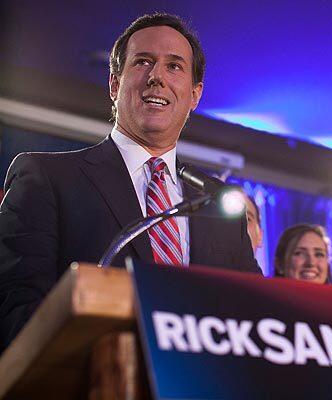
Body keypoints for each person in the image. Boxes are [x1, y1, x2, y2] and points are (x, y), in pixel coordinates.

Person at [0, 13, 260, 353]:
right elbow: (16, 313)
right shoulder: (45, 178)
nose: (157, 77)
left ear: (195, 95)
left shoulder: (218, 203)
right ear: (114, 84)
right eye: (142, 62)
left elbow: (257, 317)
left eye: (174, 66)